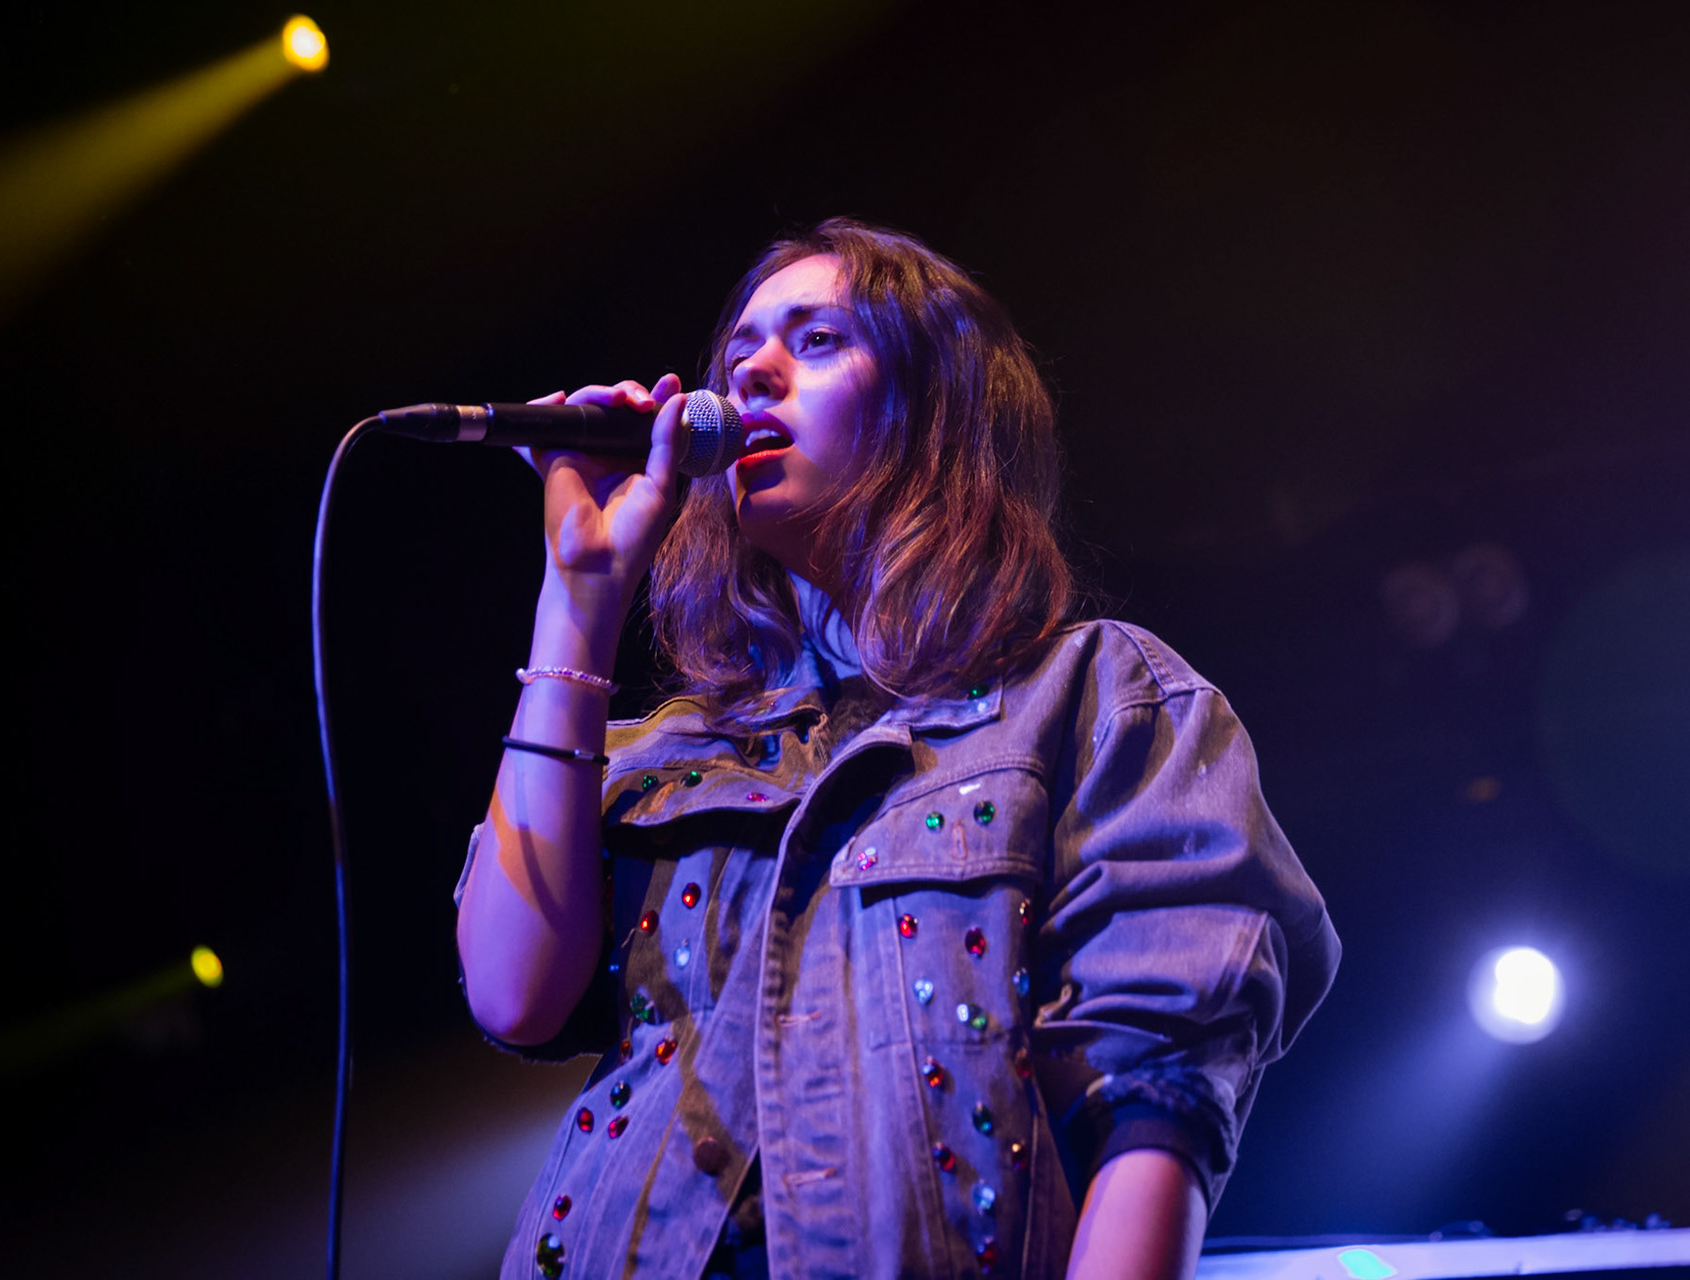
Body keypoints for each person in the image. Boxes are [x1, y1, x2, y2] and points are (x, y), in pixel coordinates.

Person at [452, 219, 1339, 1280]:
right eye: (738, 358)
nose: (754, 376)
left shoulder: (1094, 692)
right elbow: (514, 993)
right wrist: (579, 595)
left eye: (817, 341)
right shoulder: (668, 744)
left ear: (936, 407)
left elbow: (1158, 1100)